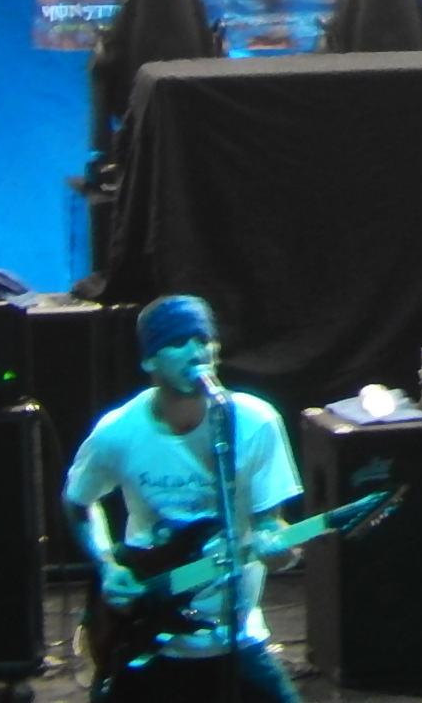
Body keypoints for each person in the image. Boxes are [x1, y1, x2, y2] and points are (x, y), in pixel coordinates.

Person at [65, 294, 303, 703]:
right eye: (178, 342)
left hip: (234, 636)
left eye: (203, 340)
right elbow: (78, 502)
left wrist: (279, 547)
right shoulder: (118, 432)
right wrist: (107, 566)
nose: (196, 352)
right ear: (149, 360)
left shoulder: (255, 422)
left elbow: (271, 525)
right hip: (149, 633)